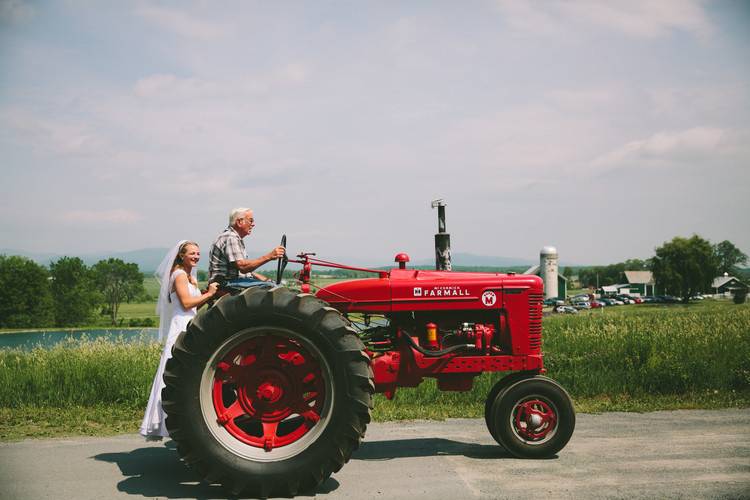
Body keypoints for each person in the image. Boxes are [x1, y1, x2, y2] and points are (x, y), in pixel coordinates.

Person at [140, 240, 218, 441]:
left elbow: (194, 307)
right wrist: (209, 294)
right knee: (173, 369)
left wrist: (207, 295)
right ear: (181, 255)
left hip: (190, 322)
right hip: (180, 325)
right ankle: (164, 421)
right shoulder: (180, 275)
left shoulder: (190, 277)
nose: (196, 256)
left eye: (198, 253)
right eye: (192, 253)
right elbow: (185, 304)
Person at [208, 207, 285, 286]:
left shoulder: (235, 238)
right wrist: (269, 256)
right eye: (251, 220)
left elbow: (246, 271)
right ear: (239, 222)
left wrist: (268, 280)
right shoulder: (231, 237)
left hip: (233, 281)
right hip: (224, 283)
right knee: (271, 288)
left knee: (273, 284)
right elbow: (243, 267)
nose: (253, 224)